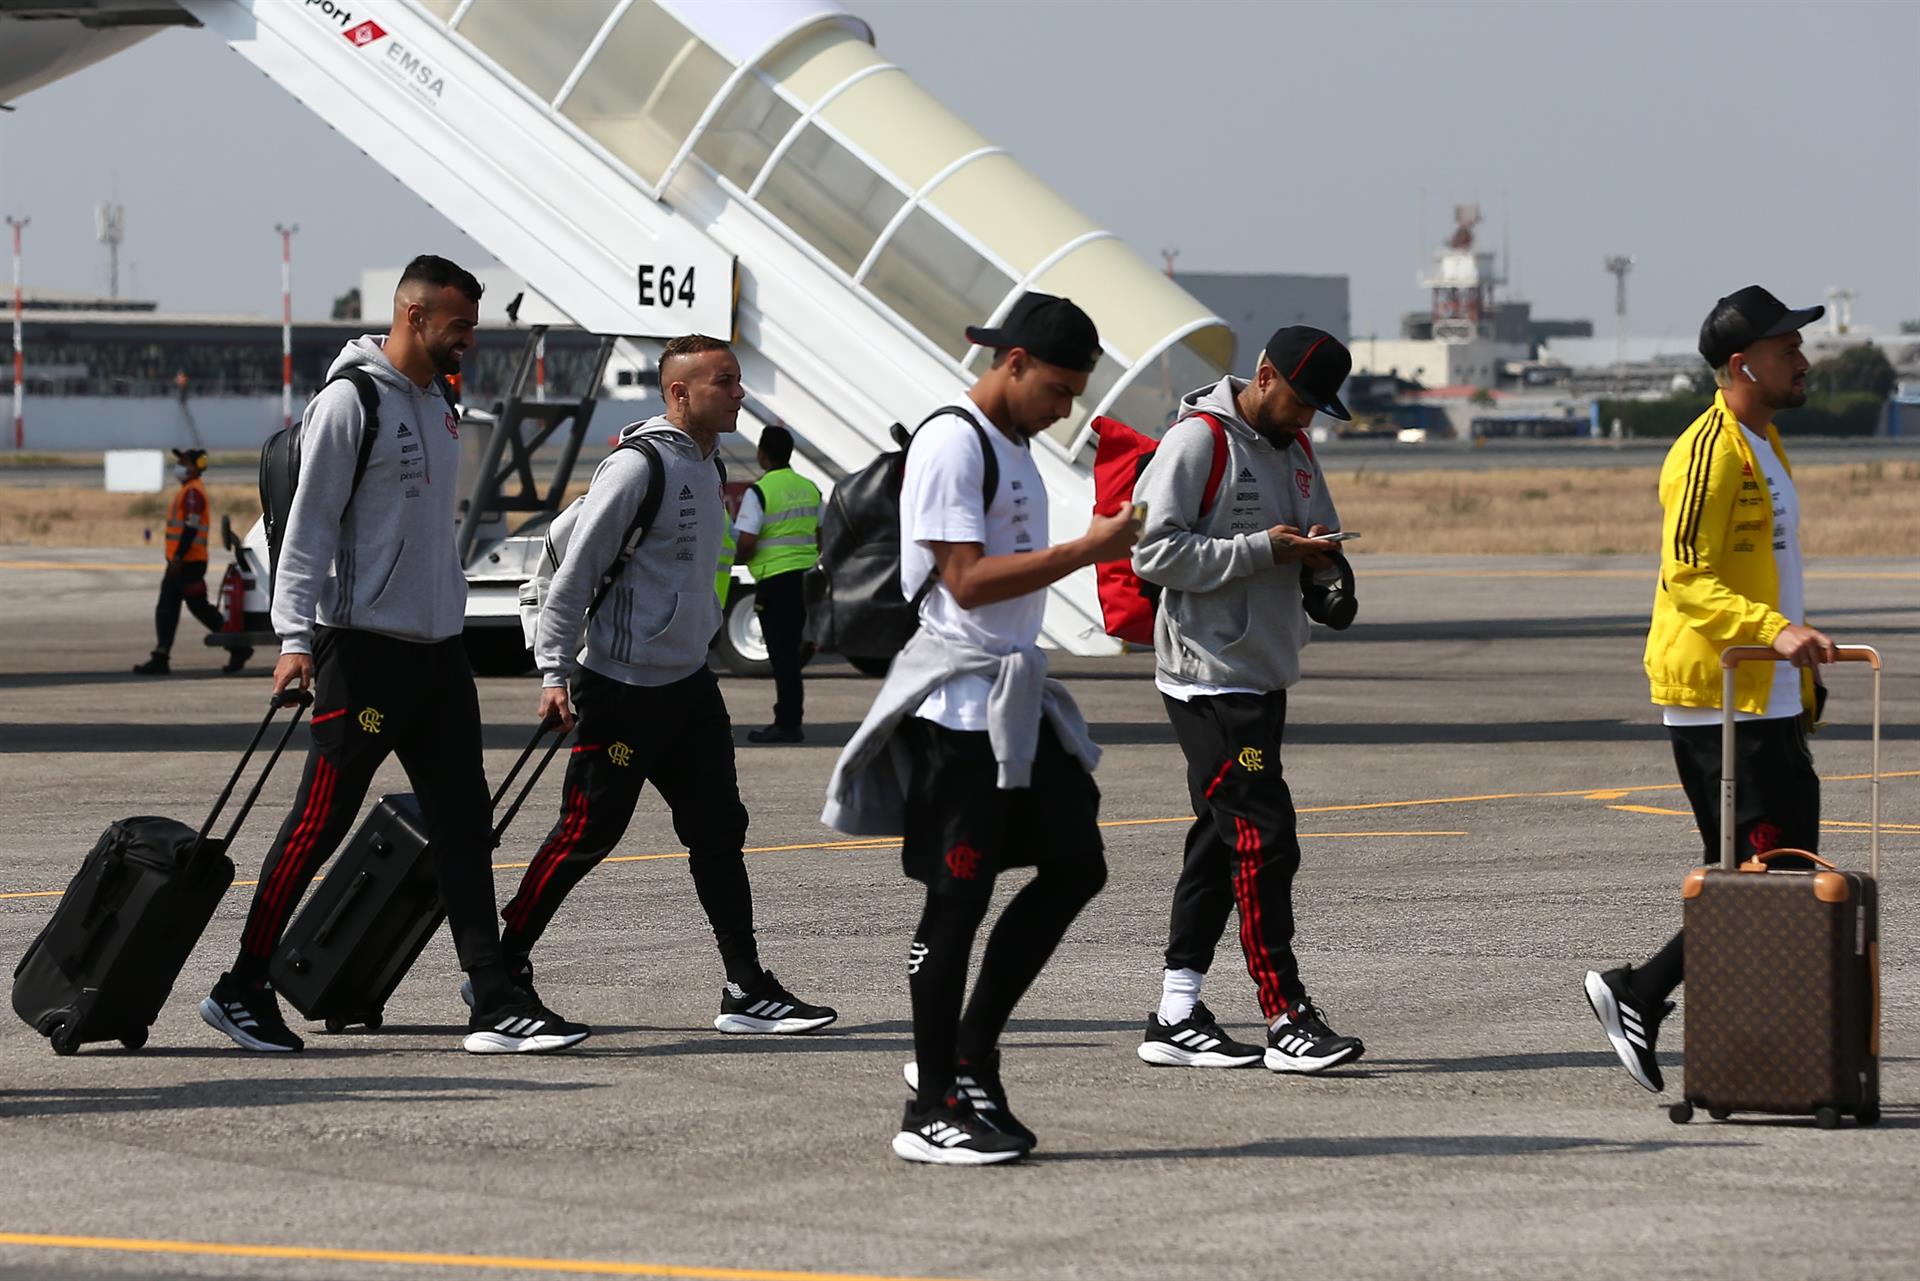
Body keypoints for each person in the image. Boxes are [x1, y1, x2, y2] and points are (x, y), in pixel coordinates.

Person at [200, 255, 589, 1056]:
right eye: (460, 326)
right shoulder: (350, 402)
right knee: (321, 820)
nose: (470, 342)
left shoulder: (442, 403)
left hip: (437, 655)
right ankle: (241, 986)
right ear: (415, 316)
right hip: (364, 652)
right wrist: (295, 640)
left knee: (462, 824)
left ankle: (492, 998)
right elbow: (306, 530)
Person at [821, 292, 1140, 1165]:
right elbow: (962, 580)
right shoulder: (953, 441)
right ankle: (930, 1105)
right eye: (1060, 388)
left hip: (1012, 704)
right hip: (957, 714)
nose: (1066, 408)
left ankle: (970, 1055)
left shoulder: (1015, 447)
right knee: (954, 904)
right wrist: (1089, 550)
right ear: (1014, 363)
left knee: (1078, 864)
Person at [501, 334, 838, 1036]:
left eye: (739, 380)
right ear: (680, 393)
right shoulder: (638, 466)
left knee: (719, 831)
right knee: (588, 833)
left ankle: (746, 987)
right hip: (622, 690)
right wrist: (554, 672)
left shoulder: (709, 467)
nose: (740, 392)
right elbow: (572, 572)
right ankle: (501, 970)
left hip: (689, 689)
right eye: (725, 381)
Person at [1584, 285, 1837, 1093]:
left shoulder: (1764, 443)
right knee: (1766, 871)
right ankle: (1642, 991)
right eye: (1786, 347)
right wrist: (1773, 634)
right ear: (1742, 364)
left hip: (1766, 690)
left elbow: (1768, 571)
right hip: (1718, 694)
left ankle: (1716, 1026)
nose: (1802, 358)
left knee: (1765, 871)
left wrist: (1794, 660)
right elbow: (1687, 575)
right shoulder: (1709, 451)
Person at [1128, 327, 1366, 1076]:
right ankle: (1285, 1015)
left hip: (1262, 675)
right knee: (1266, 835)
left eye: (1319, 410)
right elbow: (1151, 551)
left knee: (1220, 835)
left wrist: (1329, 579)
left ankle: (1176, 1011)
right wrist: (1263, 549)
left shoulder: (1296, 449)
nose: (1307, 421)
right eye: (1300, 401)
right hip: (1209, 679)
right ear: (1264, 375)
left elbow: (1316, 537)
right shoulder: (1199, 442)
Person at [734, 425, 821, 744]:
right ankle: (788, 715)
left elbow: (746, 542)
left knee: (782, 655)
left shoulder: (760, 492)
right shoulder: (809, 488)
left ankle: (787, 721)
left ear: (761, 453)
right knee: (793, 651)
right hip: (806, 580)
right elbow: (821, 533)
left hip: (775, 579)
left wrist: (739, 557)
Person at [133, 448, 248, 675]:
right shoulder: (189, 490)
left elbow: (191, 526)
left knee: (175, 607)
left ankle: (164, 655)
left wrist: (177, 557)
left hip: (186, 561)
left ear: (196, 467)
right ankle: (163, 654)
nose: (180, 466)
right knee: (186, 606)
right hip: (186, 560)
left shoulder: (193, 493)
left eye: (185, 462)